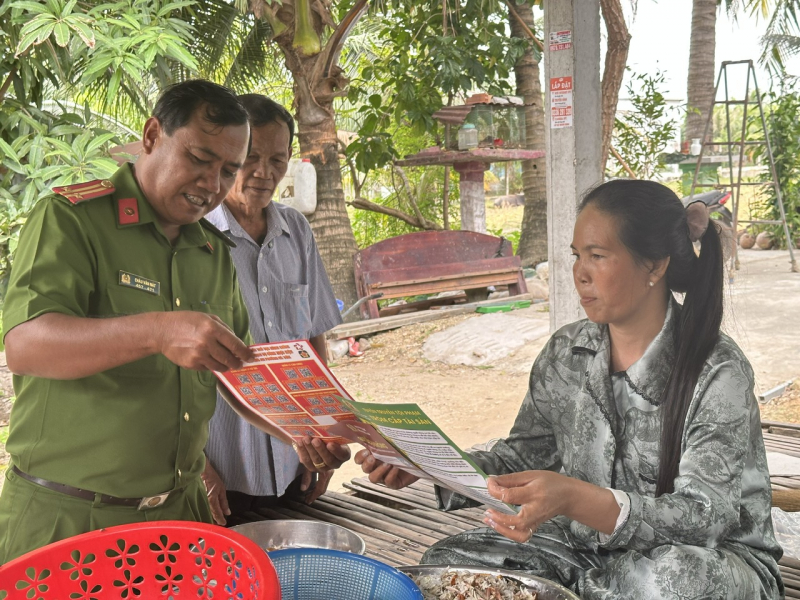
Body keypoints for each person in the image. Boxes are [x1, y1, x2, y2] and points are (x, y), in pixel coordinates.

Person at [356, 179, 784, 599]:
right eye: (578, 255)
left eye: (597, 256)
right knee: (451, 562)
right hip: (585, 551)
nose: (580, 273)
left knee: (675, 581)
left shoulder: (717, 370)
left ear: (654, 265)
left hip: (706, 560)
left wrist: (576, 498)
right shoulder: (567, 350)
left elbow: (706, 516)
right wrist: (427, 466)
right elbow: (522, 457)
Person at [0, 79, 255, 564]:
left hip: (180, 521)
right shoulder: (72, 220)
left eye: (228, 171)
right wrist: (156, 332)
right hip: (68, 520)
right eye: (199, 160)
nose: (212, 184)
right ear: (153, 135)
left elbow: (239, 370)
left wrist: (305, 430)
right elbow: (26, 345)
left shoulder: (212, 253)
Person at [202, 94, 348, 526]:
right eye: (251, 157)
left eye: (278, 160)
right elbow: (166, 377)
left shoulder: (295, 230)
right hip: (220, 473)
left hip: (293, 464)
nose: (264, 173)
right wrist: (193, 467)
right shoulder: (194, 237)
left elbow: (314, 338)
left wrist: (320, 434)